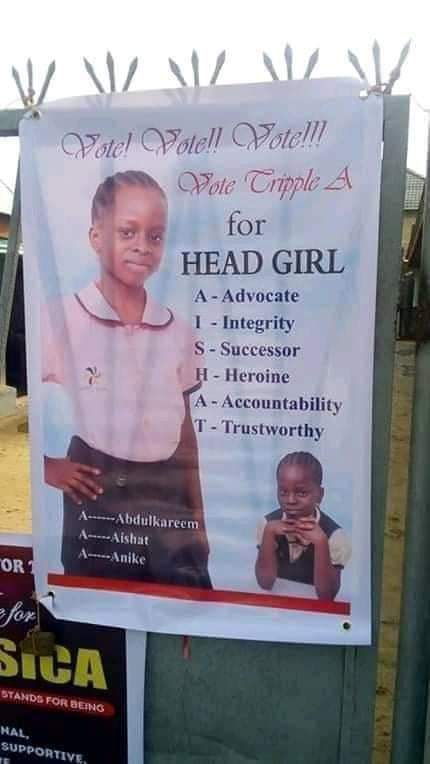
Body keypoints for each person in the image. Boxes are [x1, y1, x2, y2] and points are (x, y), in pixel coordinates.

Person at [42, 170, 211, 588]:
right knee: (101, 606)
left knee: (185, 603)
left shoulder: (178, 332)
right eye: (127, 231)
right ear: (96, 236)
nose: (142, 246)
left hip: (168, 491)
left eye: (155, 236)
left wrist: (199, 519)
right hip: (97, 490)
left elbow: (185, 432)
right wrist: (49, 467)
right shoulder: (61, 318)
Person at [255, 452, 350, 600]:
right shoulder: (268, 525)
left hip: (314, 613)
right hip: (275, 608)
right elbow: (264, 583)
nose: (290, 500)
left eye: (301, 493)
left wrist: (321, 543)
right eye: (283, 492)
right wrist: (268, 535)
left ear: (319, 494)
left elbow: (327, 596)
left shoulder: (334, 536)